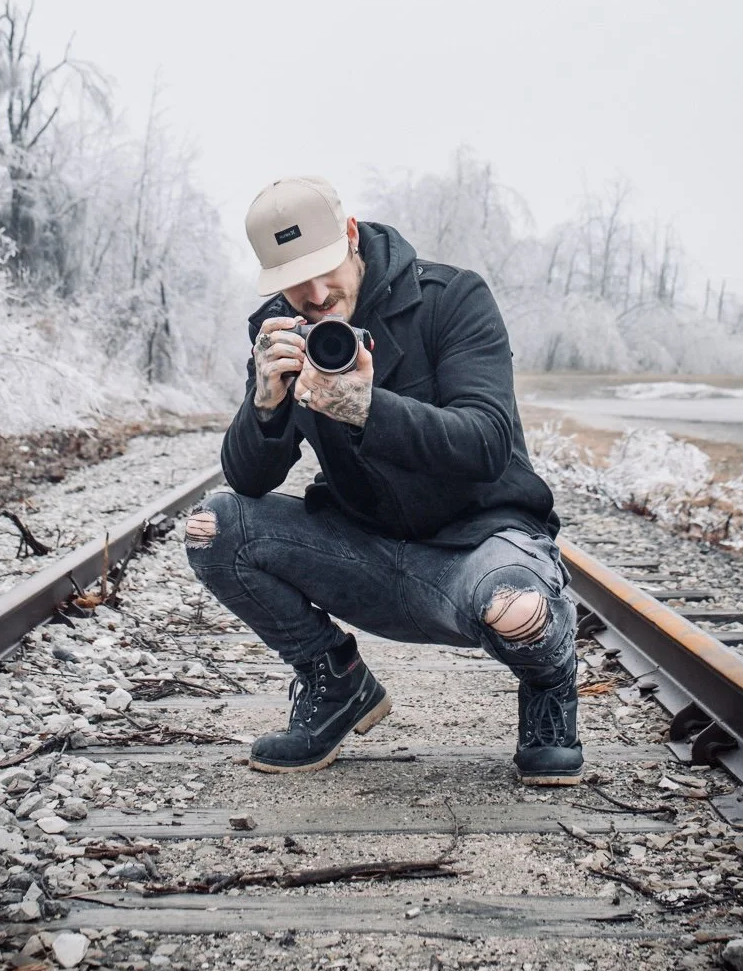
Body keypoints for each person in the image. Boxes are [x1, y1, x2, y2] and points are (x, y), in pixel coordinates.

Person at [184, 176, 582, 785]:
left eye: (325, 269)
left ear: (351, 235)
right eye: (295, 280)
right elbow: (249, 480)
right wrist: (265, 404)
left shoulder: (451, 298)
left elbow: (485, 442)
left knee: (519, 609)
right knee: (215, 527)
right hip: (367, 550)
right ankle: (335, 679)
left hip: (480, 547)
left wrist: (367, 407)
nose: (315, 296)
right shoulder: (280, 328)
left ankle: (548, 682)